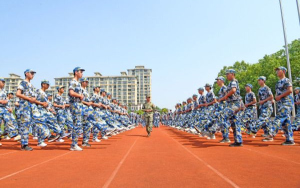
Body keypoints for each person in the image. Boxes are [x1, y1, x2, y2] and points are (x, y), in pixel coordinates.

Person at [16, 69, 49, 151]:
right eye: (31, 73)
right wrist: (29, 99)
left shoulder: (32, 86)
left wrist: (40, 103)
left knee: (39, 119)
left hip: (32, 106)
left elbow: (33, 99)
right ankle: (24, 145)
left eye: (33, 73)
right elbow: (18, 94)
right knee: (25, 125)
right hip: (25, 106)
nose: (33, 75)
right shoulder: (23, 83)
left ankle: (46, 135)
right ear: (26, 74)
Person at [264, 66, 295, 145]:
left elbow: (290, 90)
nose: (277, 72)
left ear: (284, 71)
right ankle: (289, 140)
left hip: (286, 102)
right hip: (280, 103)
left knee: (279, 117)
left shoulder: (286, 80)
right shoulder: (278, 82)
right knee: (286, 122)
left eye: (279, 70)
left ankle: (271, 133)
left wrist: (280, 96)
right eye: (276, 70)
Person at [223, 69, 243, 147]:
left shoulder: (233, 82)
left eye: (228, 74)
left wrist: (226, 95)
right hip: (233, 104)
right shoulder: (231, 82)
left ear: (232, 74)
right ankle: (238, 141)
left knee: (223, 115)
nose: (226, 75)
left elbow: (233, 90)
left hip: (234, 104)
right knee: (235, 123)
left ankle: (213, 129)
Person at [68, 67, 85, 151]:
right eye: (81, 72)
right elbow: (71, 92)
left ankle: (74, 143)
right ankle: (74, 144)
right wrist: (80, 96)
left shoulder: (77, 83)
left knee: (78, 124)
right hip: (75, 105)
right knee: (76, 124)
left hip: (78, 105)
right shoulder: (73, 82)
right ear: (76, 72)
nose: (82, 73)